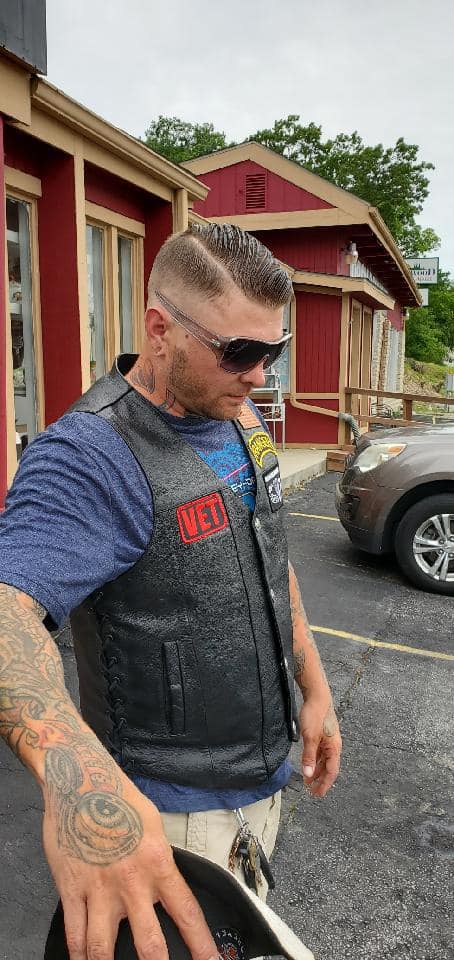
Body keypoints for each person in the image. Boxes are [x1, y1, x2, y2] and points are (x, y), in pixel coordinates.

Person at [0, 223, 342, 960]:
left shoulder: (237, 411)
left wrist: (313, 686)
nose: (260, 376)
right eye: (240, 352)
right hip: (165, 822)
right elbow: (6, 611)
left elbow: (268, 551)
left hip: (261, 787)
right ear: (160, 330)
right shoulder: (89, 456)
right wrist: (82, 786)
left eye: (274, 352)